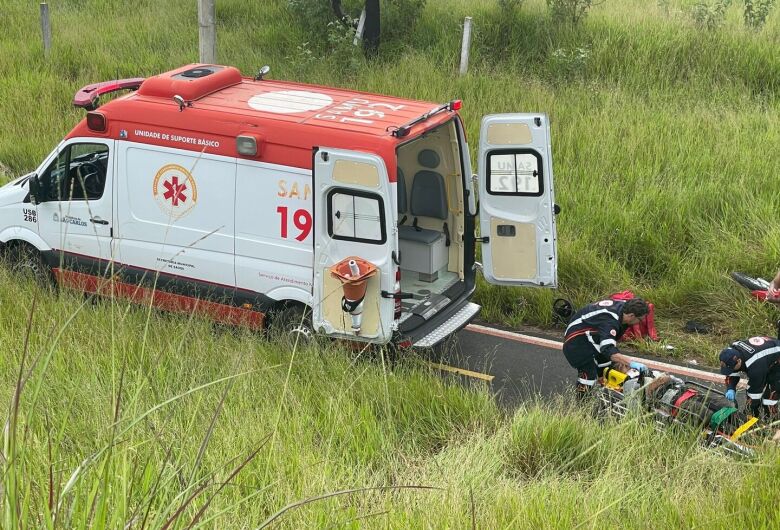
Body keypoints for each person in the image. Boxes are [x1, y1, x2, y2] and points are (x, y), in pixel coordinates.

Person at [563, 297, 650, 396]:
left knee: (607, 367)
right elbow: (608, 350)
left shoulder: (625, 308)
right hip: (575, 342)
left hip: (590, 335)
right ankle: (581, 403)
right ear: (631, 316)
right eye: (640, 320)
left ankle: (604, 394)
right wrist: (631, 363)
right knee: (589, 374)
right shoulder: (610, 321)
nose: (640, 322)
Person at [719, 335, 780, 418]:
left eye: (732, 367)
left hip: (777, 360)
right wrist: (731, 388)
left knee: (770, 397)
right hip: (767, 353)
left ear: (739, 361)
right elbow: (732, 373)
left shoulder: (755, 367)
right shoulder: (731, 352)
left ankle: (771, 420)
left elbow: (754, 393)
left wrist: (749, 413)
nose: (731, 370)